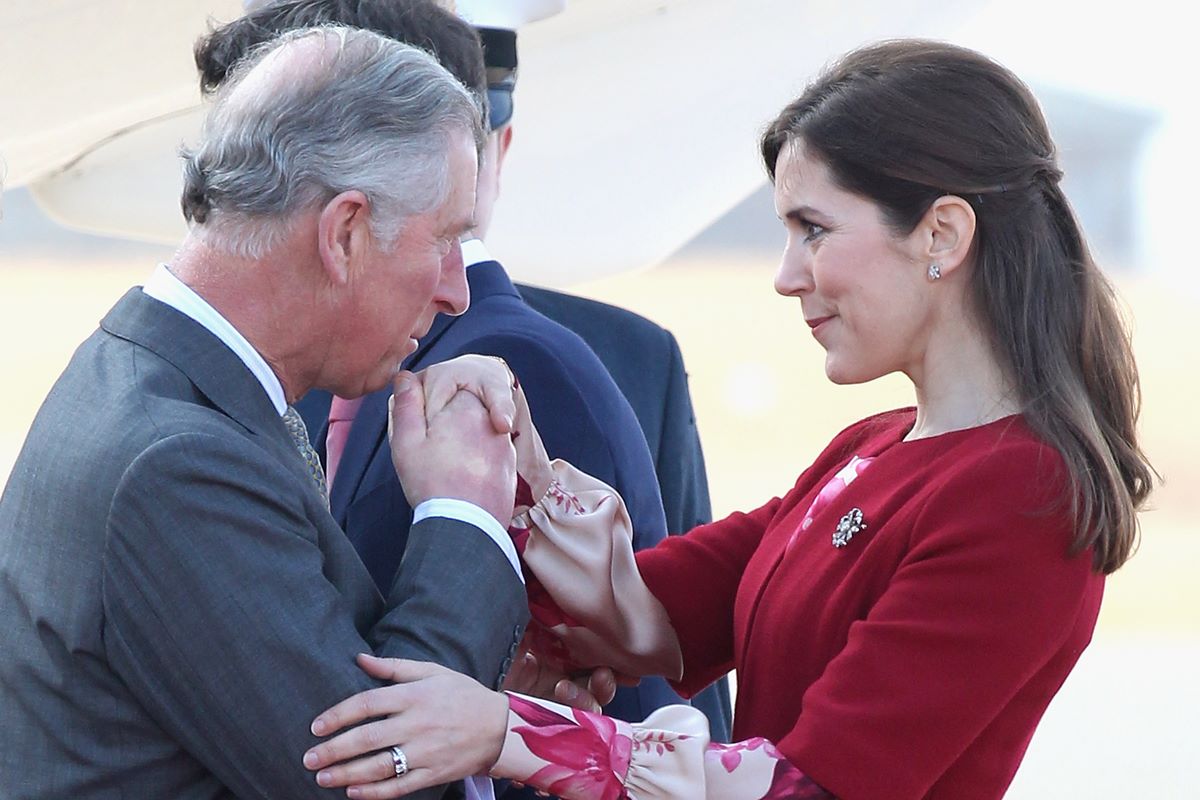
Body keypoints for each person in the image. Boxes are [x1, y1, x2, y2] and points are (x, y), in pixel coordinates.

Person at [297, 39, 1156, 800]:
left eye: (812, 230)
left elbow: (805, 785)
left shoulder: (1021, 493)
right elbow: (636, 615)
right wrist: (514, 454)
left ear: (942, 234)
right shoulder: (873, 447)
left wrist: (503, 734)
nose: (786, 276)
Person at [0, 27, 529, 800]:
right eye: (445, 239)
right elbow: (378, 779)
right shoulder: (175, 465)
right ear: (344, 233)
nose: (457, 290)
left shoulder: (160, 378)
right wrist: (464, 515)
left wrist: (511, 695)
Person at [193, 0, 730, 742]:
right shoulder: (315, 365)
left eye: (273, 155)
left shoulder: (522, 369)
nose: (246, 194)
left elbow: (628, 715)